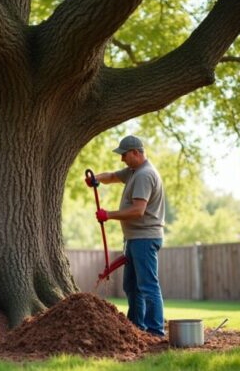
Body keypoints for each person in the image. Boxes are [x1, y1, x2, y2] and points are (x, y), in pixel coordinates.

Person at [86, 135, 166, 336]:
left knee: (147, 285)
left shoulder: (144, 175)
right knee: (131, 285)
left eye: (124, 155)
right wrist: (96, 179)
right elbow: (112, 176)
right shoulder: (133, 171)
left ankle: (155, 331)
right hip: (134, 238)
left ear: (136, 153)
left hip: (145, 238)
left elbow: (138, 210)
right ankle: (137, 327)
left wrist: (109, 215)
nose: (122, 159)